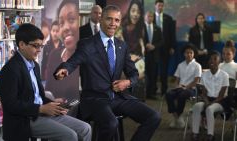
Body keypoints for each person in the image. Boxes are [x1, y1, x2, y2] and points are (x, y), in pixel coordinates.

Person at [54, 5, 161, 141]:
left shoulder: (122, 46)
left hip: (118, 98)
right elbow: (74, 61)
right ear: (101, 19)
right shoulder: (87, 44)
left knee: (154, 117)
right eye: (109, 19)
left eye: (116, 20)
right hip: (95, 99)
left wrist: (127, 82)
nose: (113, 23)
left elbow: (133, 73)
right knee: (111, 123)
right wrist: (65, 69)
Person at [0, 23, 91, 141]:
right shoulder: (10, 70)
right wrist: (40, 109)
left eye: (41, 46)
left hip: (42, 114)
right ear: (21, 44)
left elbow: (39, 97)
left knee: (85, 128)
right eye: (36, 46)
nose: (39, 50)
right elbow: (10, 104)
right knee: (70, 135)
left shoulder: (35, 65)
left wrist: (55, 106)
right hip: (25, 120)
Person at [45, 0, 80, 103]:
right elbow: (48, 91)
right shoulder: (54, 55)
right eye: (61, 23)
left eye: (71, 19)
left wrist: (65, 102)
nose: (65, 28)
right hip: (54, 114)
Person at [191, 51, 229, 141]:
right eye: (210, 59)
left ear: (220, 61)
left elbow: (222, 95)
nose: (212, 61)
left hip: (220, 101)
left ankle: (210, 135)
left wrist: (211, 103)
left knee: (209, 109)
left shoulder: (224, 75)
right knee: (196, 106)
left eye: (215, 59)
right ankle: (195, 133)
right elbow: (203, 93)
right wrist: (207, 101)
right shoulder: (204, 74)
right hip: (207, 99)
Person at [165, 44, 201, 128]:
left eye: (191, 53)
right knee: (168, 94)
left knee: (182, 95)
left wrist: (186, 87)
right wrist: (176, 86)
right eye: (187, 53)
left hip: (191, 89)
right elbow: (177, 79)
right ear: (184, 54)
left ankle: (177, 117)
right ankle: (177, 117)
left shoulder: (197, 66)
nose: (189, 54)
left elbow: (196, 81)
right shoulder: (180, 65)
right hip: (180, 88)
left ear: (193, 54)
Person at [154, 0, 176, 95]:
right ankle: (152, 90)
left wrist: (172, 47)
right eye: (159, 5)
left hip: (165, 48)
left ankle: (163, 90)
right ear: (155, 6)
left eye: (162, 6)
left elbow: (172, 34)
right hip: (153, 48)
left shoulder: (168, 18)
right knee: (153, 69)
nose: (160, 7)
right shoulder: (150, 17)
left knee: (164, 70)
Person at [143, 11, 163, 99]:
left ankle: (150, 94)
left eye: (151, 16)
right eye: (148, 16)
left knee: (153, 75)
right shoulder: (141, 28)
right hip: (143, 55)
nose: (150, 18)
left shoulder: (157, 28)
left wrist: (154, 46)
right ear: (145, 17)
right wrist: (145, 44)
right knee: (142, 75)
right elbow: (137, 39)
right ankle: (142, 93)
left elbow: (162, 41)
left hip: (154, 55)